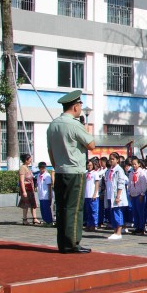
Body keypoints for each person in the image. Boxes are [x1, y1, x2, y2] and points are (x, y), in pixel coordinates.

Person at [46, 90, 95, 253]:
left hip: (60, 171)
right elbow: (91, 145)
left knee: (62, 208)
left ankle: (63, 243)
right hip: (75, 172)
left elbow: (50, 151)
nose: (80, 108)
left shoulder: (53, 125)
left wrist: (57, 166)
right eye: (80, 105)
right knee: (74, 209)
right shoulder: (74, 124)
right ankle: (72, 243)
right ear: (75, 107)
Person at [105, 152, 128, 240]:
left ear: (117, 160)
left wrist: (118, 196)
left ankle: (119, 232)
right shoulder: (109, 170)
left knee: (118, 213)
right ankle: (115, 231)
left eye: (113, 159)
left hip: (116, 195)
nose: (111, 161)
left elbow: (121, 183)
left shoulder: (119, 170)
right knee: (112, 214)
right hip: (110, 195)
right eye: (110, 159)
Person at [18, 153, 39, 225]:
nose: (31, 160)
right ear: (26, 160)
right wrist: (24, 191)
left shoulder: (28, 167)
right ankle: (24, 219)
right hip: (26, 189)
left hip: (31, 188)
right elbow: (21, 181)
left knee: (33, 204)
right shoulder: (22, 168)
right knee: (26, 204)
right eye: (29, 159)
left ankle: (35, 218)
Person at [83, 159, 100, 231]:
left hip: (93, 195)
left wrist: (95, 193)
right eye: (88, 165)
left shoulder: (95, 173)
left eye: (90, 165)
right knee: (88, 211)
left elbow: (97, 184)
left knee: (93, 211)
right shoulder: (85, 173)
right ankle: (89, 224)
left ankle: (94, 225)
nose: (89, 166)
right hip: (86, 195)